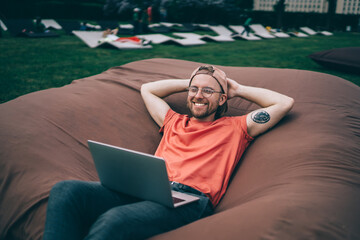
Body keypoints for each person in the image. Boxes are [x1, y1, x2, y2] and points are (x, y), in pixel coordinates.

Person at [42, 65, 294, 240]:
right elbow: (148, 89)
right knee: (66, 190)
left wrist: (235, 89)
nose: (198, 96)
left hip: (189, 200)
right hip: (147, 189)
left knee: (114, 220)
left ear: (222, 100)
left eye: (208, 91)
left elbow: (283, 103)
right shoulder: (173, 120)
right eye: (194, 90)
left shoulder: (237, 127)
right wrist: (194, 81)